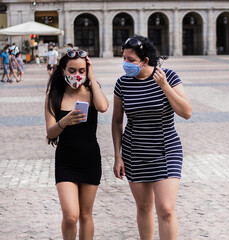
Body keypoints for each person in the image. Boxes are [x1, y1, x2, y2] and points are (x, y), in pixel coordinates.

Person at [112, 35, 192, 240]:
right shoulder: (122, 84)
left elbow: (186, 112)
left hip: (166, 150)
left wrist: (164, 86)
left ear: (145, 60)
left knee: (165, 208)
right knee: (144, 207)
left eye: (130, 60)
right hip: (135, 152)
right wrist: (117, 156)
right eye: (124, 58)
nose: (125, 64)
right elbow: (117, 122)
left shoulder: (169, 76)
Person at [44, 50, 109, 239]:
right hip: (66, 161)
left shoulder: (91, 92)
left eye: (81, 70)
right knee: (71, 216)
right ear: (63, 70)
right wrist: (65, 121)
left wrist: (93, 78)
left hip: (90, 160)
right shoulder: (54, 96)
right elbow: (50, 132)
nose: (76, 75)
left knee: (86, 215)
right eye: (72, 70)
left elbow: (103, 107)